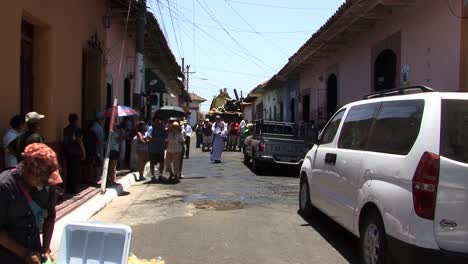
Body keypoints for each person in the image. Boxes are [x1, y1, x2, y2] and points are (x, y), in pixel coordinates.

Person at [0, 143, 62, 263]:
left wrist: (45, 249)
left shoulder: (47, 186)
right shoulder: (4, 187)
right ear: (29, 172)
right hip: (7, 256)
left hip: (35, 252)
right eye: (42, 180)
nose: (45, 185)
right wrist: (25, 254)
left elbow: (50, 216)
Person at [62, 114, 86, 194]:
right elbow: (80, 141)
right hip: (76, 152)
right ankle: (73, 188)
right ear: (76, 120)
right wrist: (84, 152)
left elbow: (65, 141)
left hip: (68, 152)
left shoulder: (66, 129)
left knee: (69, 170)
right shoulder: (77, 129)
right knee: (75, 171)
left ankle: (69, 187)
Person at [147, 116, 167, 182]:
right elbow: (149, 137)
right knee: (152, 163)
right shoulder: (150, 128)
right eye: (157, 121)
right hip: (152, 149)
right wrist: (159, 139)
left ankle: (160, 175)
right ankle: (153, 176)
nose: (159, 122)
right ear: (154, 121)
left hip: (161, 148)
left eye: (160, 121)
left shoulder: (162, 128)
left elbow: (165, 137)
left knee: (162, 162)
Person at [107, 120, 122, 186]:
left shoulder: (108, 132)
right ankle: (112, 180)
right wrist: (122, 134)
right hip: (114, 150)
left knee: (109, 166)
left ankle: (108, 179)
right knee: (113, 167)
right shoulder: (114, 133)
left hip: (109, 150)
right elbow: (118, 141)